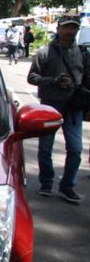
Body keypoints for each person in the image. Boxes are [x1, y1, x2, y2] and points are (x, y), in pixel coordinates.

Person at [27, 14, 88, 203]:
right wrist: (53, 81)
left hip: (73, 107)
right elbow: (32, 77)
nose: (69, 31)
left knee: (76, 149)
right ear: (58, 29)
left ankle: (67, 186)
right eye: (66, 27)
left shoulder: (83, 54)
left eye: (73, 28)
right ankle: (46, 182)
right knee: (45, 148)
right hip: (50, 106)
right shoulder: (44, 52)